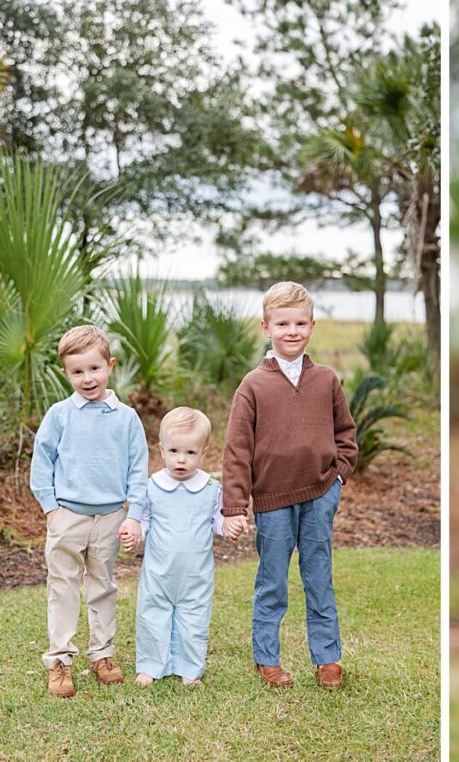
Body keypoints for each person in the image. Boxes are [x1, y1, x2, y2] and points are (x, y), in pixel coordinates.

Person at [221, 281, 358, 690]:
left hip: (319, 494)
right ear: (266, 327)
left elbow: (346, 435)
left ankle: (328, 658)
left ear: (312, 326)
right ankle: (268, 658)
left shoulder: (326, 379)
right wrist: (233, 506)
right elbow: (236, 450)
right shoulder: (253, 386)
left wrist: (337, 477)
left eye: (300, 323)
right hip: (272, 500)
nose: (292, 331)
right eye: (283, 324)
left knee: (319, 578)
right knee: (273, 581)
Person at [29, 324, 148, 698]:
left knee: (103, 586)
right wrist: (51, 509)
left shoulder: (126, 418)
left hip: (111, 516)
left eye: (94, 369)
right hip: (68, 516)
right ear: (66, 373)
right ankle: (60, 659)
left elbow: (138, 470)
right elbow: (41, 463)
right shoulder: (60, 415)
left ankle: (103, 654)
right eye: (77, 371)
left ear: (109, 365)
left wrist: (133, 513)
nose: (87, 378)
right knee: (62, 586)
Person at [118, 407, 224, 687]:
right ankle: (152, 665)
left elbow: (218, 520)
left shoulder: (211, 489)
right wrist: (134, 533)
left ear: (203, 453)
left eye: (190, 453)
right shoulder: (151, 487)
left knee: (194, 621)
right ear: (161, 449)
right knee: (152, 616)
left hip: (196, 575)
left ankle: (190, 669)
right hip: (158, 572)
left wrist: (229, 526)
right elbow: (143, 519)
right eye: (175, 451)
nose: (181, 460)